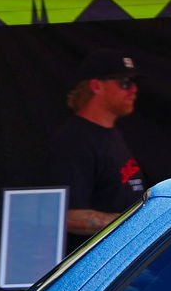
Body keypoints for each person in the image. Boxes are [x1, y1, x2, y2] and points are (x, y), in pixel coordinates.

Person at [47, 50, 147, 248]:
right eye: (124, 83)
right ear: (96, 86)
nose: (133, 90)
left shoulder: (111, 134)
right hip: (97, 267)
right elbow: (65, 216)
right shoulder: (74, 141)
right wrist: (135, 223)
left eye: (134, 83)